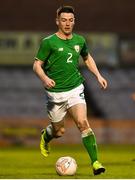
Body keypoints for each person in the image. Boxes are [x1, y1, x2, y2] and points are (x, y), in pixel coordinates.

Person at [33, 5, 107, 175]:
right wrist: (45, 78)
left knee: (83, 123)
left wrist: (98, 75)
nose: (67, 23)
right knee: (60, 131)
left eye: (70, 20)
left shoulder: (79, 41)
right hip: (55, 94)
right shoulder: (48, 42)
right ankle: (47, 135)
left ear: (74, 22)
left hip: (75, 88)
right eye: (64, 20)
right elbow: (36, 65)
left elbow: (87, 58)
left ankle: (95, 162)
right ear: (57, 21)